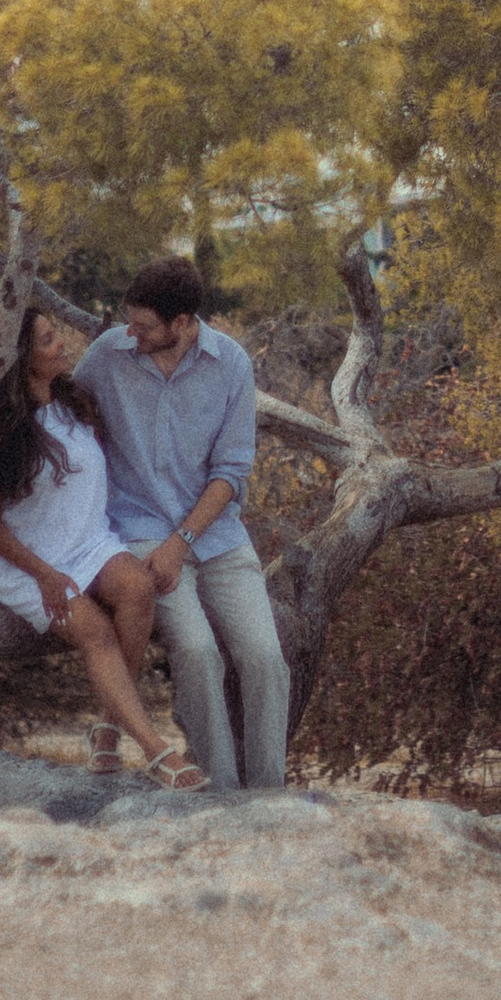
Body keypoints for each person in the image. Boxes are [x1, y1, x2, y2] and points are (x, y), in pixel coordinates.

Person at [76, 256, 292, 794]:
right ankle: (218, 793)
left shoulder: (231, 363)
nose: (132, 334)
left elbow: (231, 472)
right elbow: (63, 414)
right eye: (130, 322)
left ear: (182, 322)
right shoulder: (107, 356)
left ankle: (269, 797)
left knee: (266, 658)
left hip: (216, 534)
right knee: (197, 653)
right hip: (140, 530)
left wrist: (182, 543)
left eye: (145, 326)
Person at [0, 312, 202, 785]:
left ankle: (107, 729)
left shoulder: (74, 403)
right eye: (48, 340)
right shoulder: (4, 431)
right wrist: (45, 575)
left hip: (90, 544)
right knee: (96, 632)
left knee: (137, 588)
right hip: (32, 565)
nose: (61, 343)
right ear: (22, 358)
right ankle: (156, 751)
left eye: (56, 333)